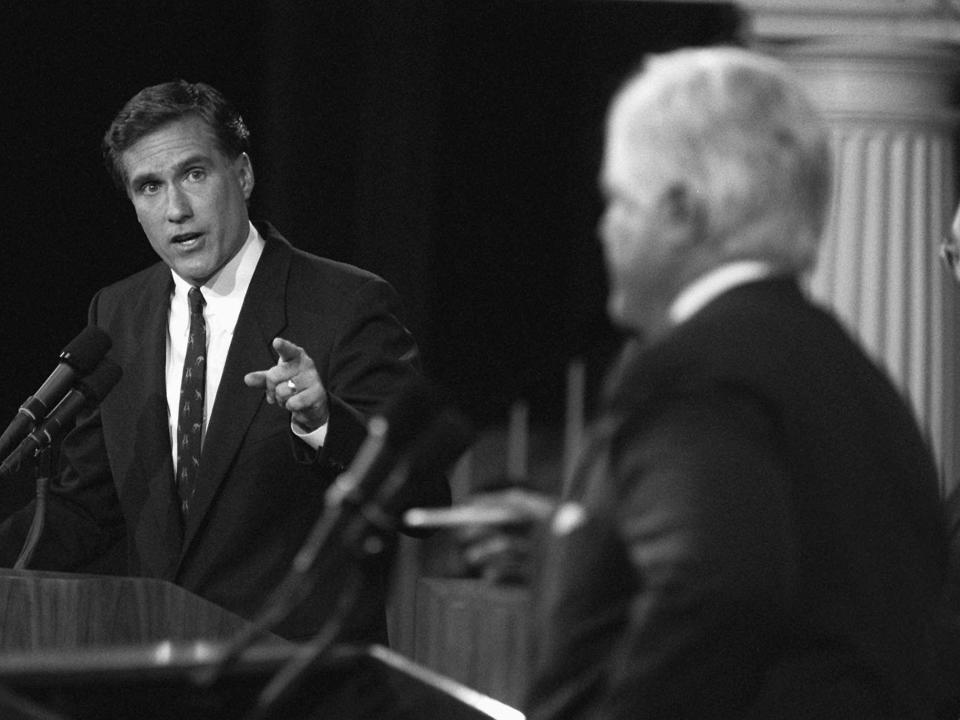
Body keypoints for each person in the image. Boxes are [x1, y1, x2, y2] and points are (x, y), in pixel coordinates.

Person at [457, 47, 949, 718]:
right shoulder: (865, 387)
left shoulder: (694, 374)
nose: (605, 230)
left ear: (682, 212)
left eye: (617, 202)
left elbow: (711, 588)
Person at [0, 80, 449, 643]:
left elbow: (422, 490)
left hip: (296, 677)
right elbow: (86, 507)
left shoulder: (345, 303)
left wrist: (322, 424)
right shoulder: (117, 313)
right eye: (149, 187)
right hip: (160, 669)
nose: (176, 209)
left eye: (194, 174)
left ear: (241, 175)